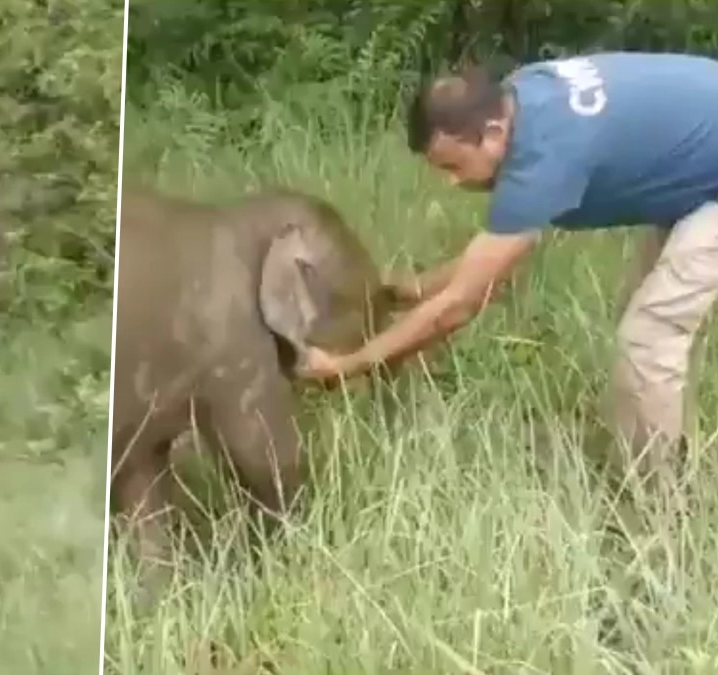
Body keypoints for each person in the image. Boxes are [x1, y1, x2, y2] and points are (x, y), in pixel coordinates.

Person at [301, 51, 718, 511]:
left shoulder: (544, 158)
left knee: (648, 337)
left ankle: (661, 507)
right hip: (698, 170)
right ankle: (665, 455)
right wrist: (414, 290)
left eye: (454, 166)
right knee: (647, 326)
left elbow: (463, 303)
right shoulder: (521, 98)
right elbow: (490, 263)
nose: (452, 185)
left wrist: (347, 366)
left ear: (494, 134)